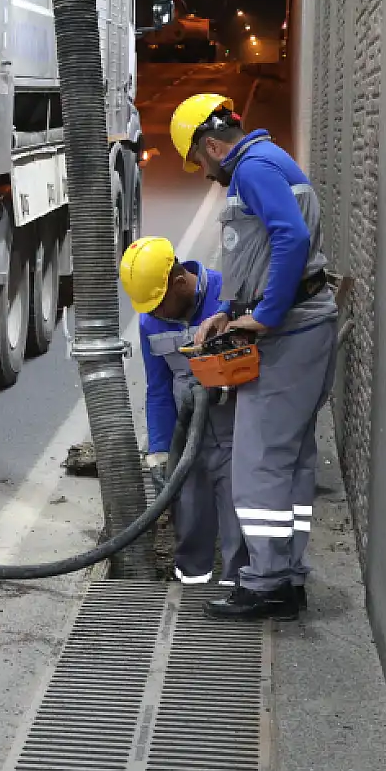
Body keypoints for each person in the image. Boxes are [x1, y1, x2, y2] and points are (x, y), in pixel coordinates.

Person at [170, 93, 338, 621]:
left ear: (214, 146)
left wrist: (265, 316)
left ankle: (266, 584)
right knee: (288, 462)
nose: (202, 173)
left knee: (259, 460)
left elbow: (290, 236)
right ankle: (284, 578)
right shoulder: (269, 164)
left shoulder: (255, 170)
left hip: (291, 333)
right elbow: (256, 250)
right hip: (303, 328)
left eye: (199, 161)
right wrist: (227, 309)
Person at [120, 237, 245, 587]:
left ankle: (237, 590)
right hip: (188, 436)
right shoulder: (150, 323)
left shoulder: (227, 298)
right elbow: (158, 389)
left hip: (234, 430)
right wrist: (160, 451)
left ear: (179, 282)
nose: (155, 313)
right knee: (189, 517)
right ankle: (191, 585)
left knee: (238, 519)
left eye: (159, 303)